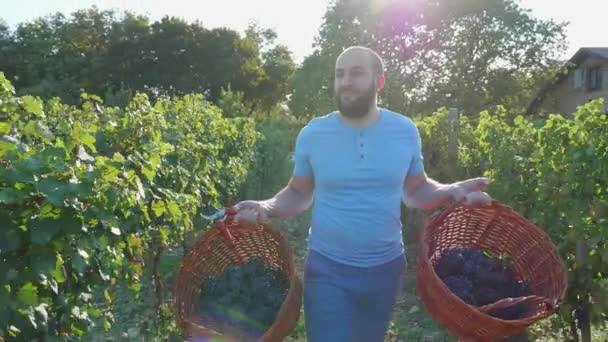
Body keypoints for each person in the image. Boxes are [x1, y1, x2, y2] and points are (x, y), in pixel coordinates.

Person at [233, 46, 492, 342]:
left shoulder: (404, 131)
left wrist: (452, 190)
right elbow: (298, 192)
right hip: (327, 268)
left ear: (379, 82)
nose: (345, 81)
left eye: (356, 72)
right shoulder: (313, 134)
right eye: (339, 74)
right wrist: (267, 206)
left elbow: (416, 190)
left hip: (386, 268)